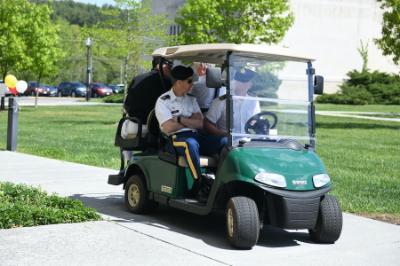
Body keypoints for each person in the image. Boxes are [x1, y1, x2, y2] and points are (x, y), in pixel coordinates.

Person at [155, 65, 225, 202]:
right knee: (190, 144)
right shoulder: (163, 101)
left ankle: (221, 182)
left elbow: (200, 123)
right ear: (178, 82)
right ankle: (199, 184)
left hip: (196, 135)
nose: (192, 84)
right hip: (176, 138)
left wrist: (180, 119)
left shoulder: (191, 99)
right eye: (189, 81)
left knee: (223, 141)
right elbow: (168, 127)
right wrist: (190, 121)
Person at [204, 68, 260, 136]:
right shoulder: (220, 101)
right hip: (227, 141)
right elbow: (208, 124)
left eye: (243, 81)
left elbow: (256, 120)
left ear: (250, 85)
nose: (238, 83)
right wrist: (223, 135)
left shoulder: (254, 101)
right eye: (237, 80)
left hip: (248, 139)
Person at [124, 57, 173, 123]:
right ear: (160, 65)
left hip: (133, 121)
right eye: (169, 64)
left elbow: (127, 104)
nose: (171, 68)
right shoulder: (166, 81)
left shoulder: (137, 78)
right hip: (153, 125)